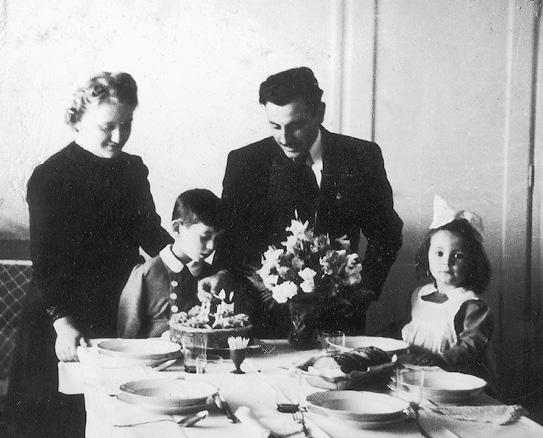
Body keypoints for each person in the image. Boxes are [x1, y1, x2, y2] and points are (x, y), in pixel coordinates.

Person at [7, 72, 172, 438]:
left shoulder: (132, 169)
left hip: (118, 306)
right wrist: (62, 324)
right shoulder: (50, 176)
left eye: (126, 125)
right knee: (57, 420)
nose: (118, 136)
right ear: (78, 119)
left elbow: (150, 232)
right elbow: (47, 261)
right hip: (62, 311)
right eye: (107, 126)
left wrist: (188, 261)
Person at [208, 67, 403, 338]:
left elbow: (387, 233)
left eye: (296, 125)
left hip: (338, 320)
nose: (284, 138)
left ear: (320, 113)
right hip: (262, 322)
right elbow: (229, 240)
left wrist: (362, 294)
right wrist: (220, 275)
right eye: (275, 126)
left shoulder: (360, 157)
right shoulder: (245, 163)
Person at [401, 195, 493, 379]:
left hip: (453, 381)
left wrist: (441, 359)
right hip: (417, 376)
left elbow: (471, 347)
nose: (447, 262)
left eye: (458, 256)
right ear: (427, 255)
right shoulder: (419, 295)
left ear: (473, 262)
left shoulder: (471, 306)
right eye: (439, 253)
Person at [117, 189, 224, 339]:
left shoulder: (213, 276)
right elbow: (126, 340)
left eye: (217, 239)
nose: (212, 246)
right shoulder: (145, 275)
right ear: (177, 228)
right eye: (204, 237)